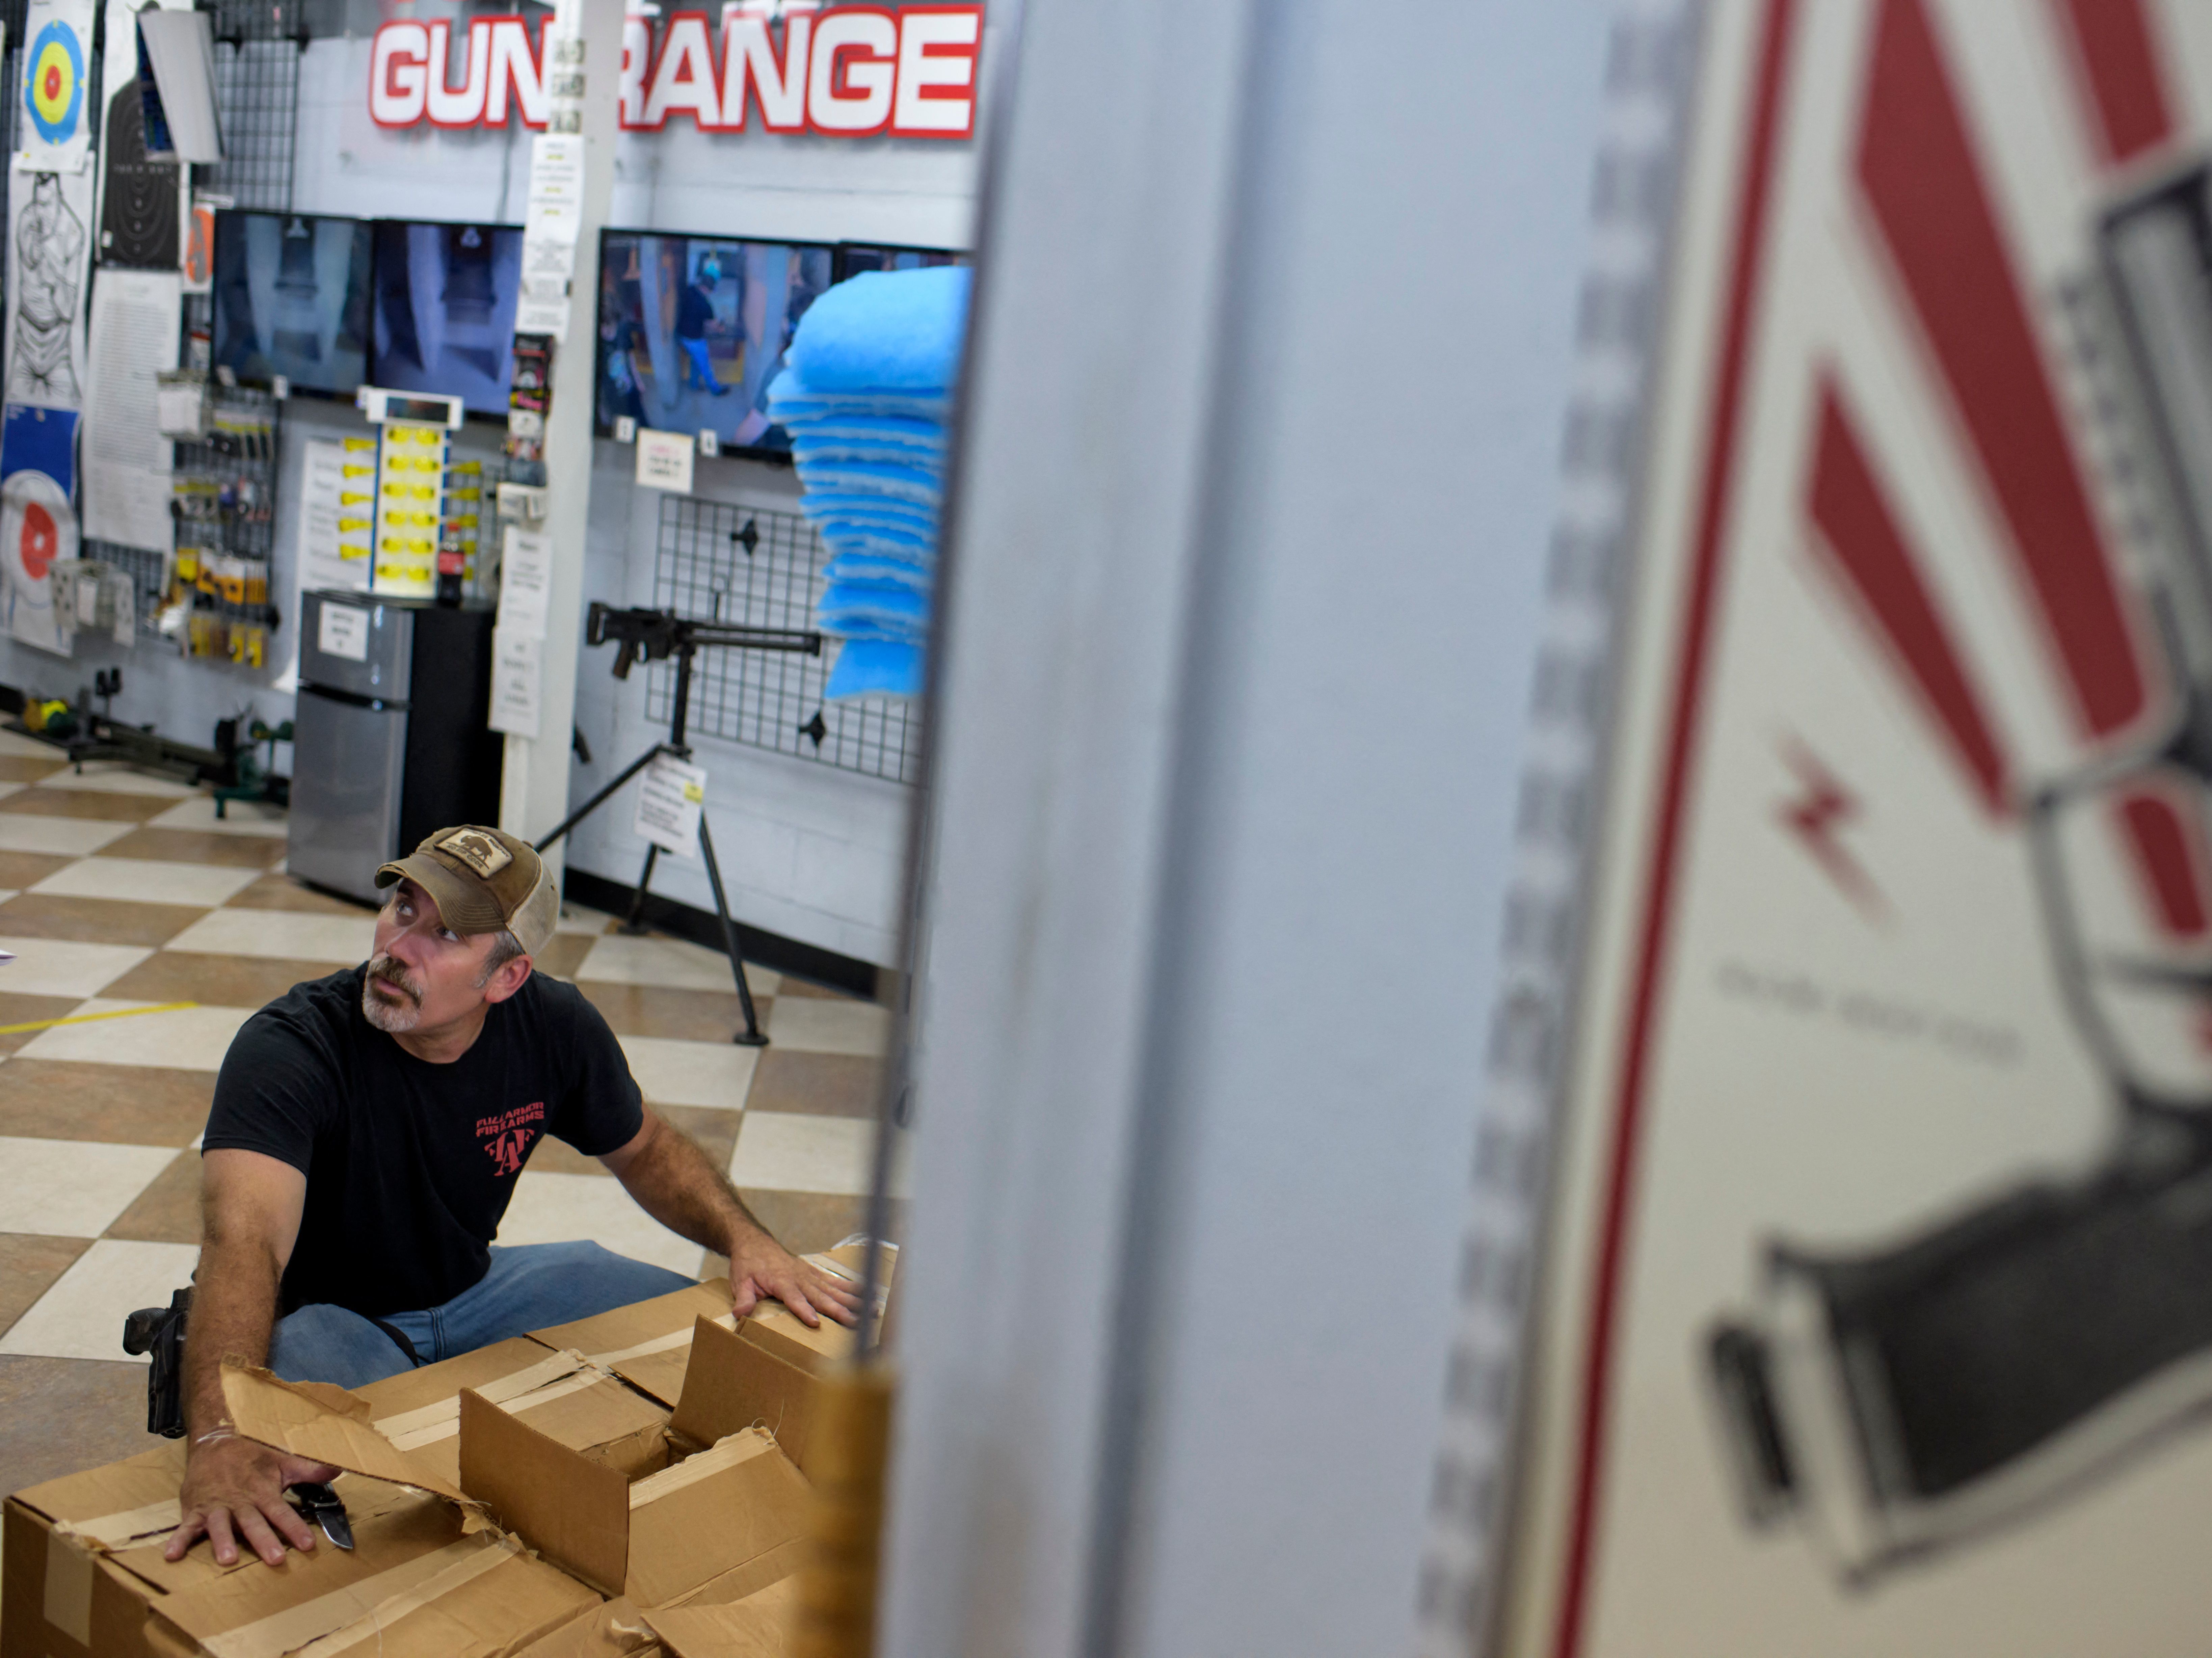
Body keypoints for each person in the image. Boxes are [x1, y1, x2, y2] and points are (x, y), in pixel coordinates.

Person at [165, 825, 857, 1569]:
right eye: (403, 908)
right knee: (376, 1508)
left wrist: (748, 1238)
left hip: (477, 1288)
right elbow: (245, 1241)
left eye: (447, 934)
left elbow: (648, 1147)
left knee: (709, 1342)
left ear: (507, 977)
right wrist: (217, 1432)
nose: (401, 946)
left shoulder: (554, 1027)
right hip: (329, 1320)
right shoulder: (291, 1049)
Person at [673, 255, 734, 397]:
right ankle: (716, 390)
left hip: (682, 334)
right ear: (709, 289)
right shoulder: (706, 306)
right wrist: (721, 328)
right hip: (694, 338)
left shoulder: (690, 290)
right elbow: (713, 326)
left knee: (696, 361)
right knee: (705, 365)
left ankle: (694, 385)